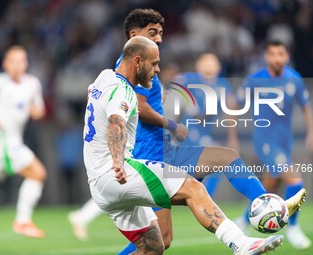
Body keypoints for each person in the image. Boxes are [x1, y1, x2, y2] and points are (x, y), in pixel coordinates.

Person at [68, 10, 306, 251]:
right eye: (153, 33)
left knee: (157, 243)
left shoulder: (106, 76)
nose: (159, 39)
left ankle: (265, 204)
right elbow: (126, 115)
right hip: (143, 158)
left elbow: (104, 96)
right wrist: (169, 126)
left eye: (160, 33)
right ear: (134, 38)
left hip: (143, 160)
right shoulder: (127, 79)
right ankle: (243, 237)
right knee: (196, 185)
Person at [235, 40, 312, 250]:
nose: (276, 58)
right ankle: (293, 228)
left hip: (284, 141)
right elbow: (234, 104)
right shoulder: (255, 80)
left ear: (286, 56)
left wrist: (310, 132)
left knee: (271, 185)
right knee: (295, 179)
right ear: (266, 57)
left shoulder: (294, 79)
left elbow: (307, 106)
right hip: (265, 140)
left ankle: (243, 221)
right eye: (272, 54)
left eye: (280, 53)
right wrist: (233, 136)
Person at [0, 46, 46, 238]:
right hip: (1, 142)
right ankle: (22, 222)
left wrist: (36, 112)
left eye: (21, 61)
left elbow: (39, 110)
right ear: (5, 64)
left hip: (10, 142)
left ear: (26, 64)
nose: (17, 66)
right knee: (37, 174)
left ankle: (22, 222)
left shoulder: (32, 84)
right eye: (13, 61)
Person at [169, 52, 239, 197]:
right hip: (188, 131)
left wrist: (232, 137)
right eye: (205, 61)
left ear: (219, 66)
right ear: (198, 66)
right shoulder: (188, 79)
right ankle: (204, 199)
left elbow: (231, 108)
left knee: (210, 166)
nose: (209, 64)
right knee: (219, 159)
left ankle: (201, 198)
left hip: (205, 133)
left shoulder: (223, 86)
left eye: (212, 61)